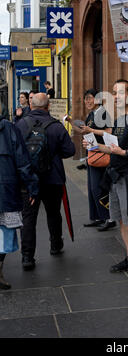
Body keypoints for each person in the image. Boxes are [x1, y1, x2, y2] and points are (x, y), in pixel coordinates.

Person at [86, 79, 128, 282]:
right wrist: (95, 145)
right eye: (114, 93)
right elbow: (112, 148)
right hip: (115, 175)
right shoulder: (119, 119)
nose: (115, 97)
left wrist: (124, 152)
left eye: (120, 93)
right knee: (122, 219)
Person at [16, 93, 75, 270]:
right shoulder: (56, 126)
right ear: (48, 106)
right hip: (53, 178)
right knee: (53, 213)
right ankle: (55, 244)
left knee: (28, 217)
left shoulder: (20, 125)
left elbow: (14, 153)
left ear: (31, 106)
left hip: (28, 180)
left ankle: (27, 256)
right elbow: (70, 151)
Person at [0, 113, 38, 288]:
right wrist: (32, 186)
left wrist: (31, 186)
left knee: (5, 235)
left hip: (5, 190)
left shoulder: (9, 129)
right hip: (6, 191)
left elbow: (22, 161)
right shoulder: (9, 128)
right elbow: (23, 161)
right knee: (4, 234)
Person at [67, 89, 114, 229]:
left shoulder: (103, 113)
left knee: (99, 188)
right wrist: (70, 122)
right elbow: (83, 130)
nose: (87, 101)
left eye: (90, 98)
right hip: (92, 153)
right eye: (85, 99)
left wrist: (92, 131)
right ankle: (97, 217)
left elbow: (109, 131)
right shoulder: (92, 114)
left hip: (102, 153)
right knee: (92, 188)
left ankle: (108, 218)